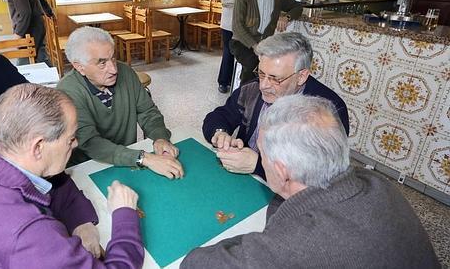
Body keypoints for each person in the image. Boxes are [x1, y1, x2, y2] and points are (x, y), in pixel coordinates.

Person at [182, 95, 440, 268]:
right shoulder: (376, 182)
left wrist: (254, 245)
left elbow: (194, 263)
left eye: (262, 153)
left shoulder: (300, 243)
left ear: (282, 171)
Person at [0, 84, 144, 268]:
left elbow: (55, 181)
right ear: (38, 147)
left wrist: (80, 221)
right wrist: (125, 214)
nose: (76, 143)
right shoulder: (27, 233)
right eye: (71, 138)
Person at [203, 32, 349, 179]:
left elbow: (322, 173)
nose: (263, 85)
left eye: (275, 79)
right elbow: (219, 116)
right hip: (245, 179)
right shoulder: (252, 89)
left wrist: (257, 165)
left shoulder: (328, 111)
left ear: (301, 76)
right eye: (261, 73)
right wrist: (220, 133)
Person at [57, 27, 184, 180]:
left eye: (113, 58)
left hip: (127, 159)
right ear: (79, 67)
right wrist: (144, 158)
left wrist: (160, 137)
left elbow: (147, 112)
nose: (113, 69)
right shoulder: (67, 91)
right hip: (90, 168)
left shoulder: (126, 73)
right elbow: (90, 143)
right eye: (102, 63)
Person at [231, 0, 303, 84]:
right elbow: (237, 26)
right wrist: (254, 46)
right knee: (254, 65)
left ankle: (264, 97)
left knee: (277, 66)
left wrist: (286, 17)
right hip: (241, 42)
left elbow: (297, 7)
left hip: (265, 42)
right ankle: (243, 101)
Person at [217, 0, 256, 94]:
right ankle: (223, 82)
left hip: (248, 25)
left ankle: (243, 82)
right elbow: (225, 0)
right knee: (229, 53)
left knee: (246, 53)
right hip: (230, 24)